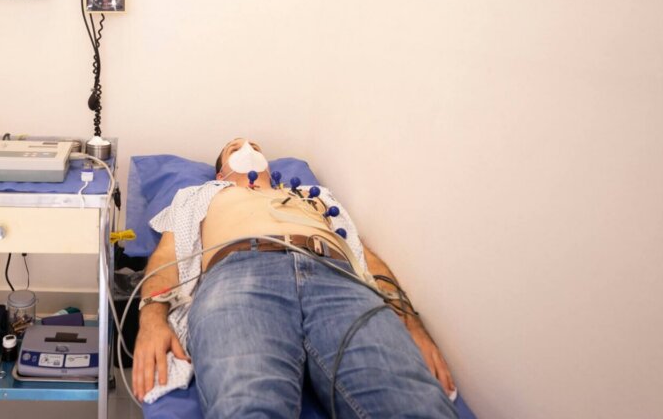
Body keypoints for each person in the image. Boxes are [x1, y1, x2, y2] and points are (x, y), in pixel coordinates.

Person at [132, 138, 457, 418]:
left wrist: (410, 322)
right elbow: (167, 255)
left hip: (337, 278)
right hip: (239, 277)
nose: (247, 148)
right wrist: (151, 318)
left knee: (415, 405)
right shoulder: (202, 194)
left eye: (254, 146)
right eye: (235, 147)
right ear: (220, 173)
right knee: (248, 406)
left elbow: (364, 255)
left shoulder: (313, 197)